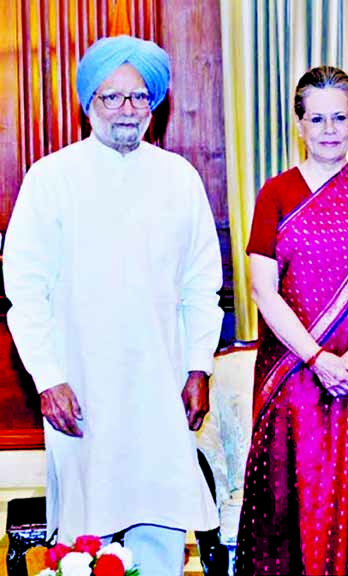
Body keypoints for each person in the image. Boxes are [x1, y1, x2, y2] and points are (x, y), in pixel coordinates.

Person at [3, 36, 223, 575]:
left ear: (154, 105)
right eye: (112, 98)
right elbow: (25, 288)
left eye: (138, 98)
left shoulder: (180, 178)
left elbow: (201, 285)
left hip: (160, 381)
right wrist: (48, 376)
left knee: (162, 518)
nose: (127, 110)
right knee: (84, 531)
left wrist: (198, 367)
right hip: (81, 386)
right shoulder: (51, 178)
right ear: (89, 104)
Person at [234, 65, 348, 575]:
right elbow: (263, 291)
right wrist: (317, 358)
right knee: (296, 499)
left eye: (339, 117)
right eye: (316, 119)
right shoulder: (275, 194)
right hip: (296, 370)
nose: (328, 129)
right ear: (298, 125)